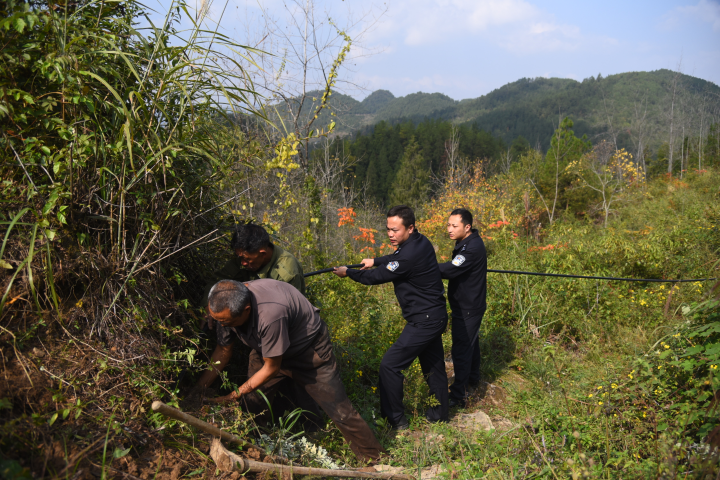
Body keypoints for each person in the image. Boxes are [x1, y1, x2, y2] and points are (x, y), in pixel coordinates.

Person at [196, 278, 384, 462]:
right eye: (217, 319)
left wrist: (232, 395)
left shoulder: (269, 314)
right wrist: (199, 390)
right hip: (266, 351)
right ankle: (255, 447)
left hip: (308, 352)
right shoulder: (227, 300)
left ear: (246, 310)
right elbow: (223, 350)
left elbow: (271, 367)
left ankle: (376, 461)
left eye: (226, 322)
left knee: (339, 408)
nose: (222, 325)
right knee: (252, 402)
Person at [332, 205, 449, 429]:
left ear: (410, 228)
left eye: (395, 230)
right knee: (433, 366)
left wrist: (349, 272)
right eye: (388, 229)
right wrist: (375, 259)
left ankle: (395, 420)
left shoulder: (408, 255)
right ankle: (440, 414)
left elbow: (376, 278)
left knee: (389, 366)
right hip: (434, 316)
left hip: (423, 321)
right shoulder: (420, 241)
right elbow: (394, 258)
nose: (390, 234)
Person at [202, 222, 305, 328]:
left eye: (247, 259)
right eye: (240, 258)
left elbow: (290, 311)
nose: (243, 263)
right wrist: (208, 306)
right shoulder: (244, 256)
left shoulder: (287, 272)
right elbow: (217, 280)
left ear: (263, 254)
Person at [438, 208, 487, 407]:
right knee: (470, 343)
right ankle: (473, 378)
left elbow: (451, 269)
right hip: (466, 304)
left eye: (454, 226)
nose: (449, 229)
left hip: (469, 306)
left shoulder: (472, 247)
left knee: (461, 348)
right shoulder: (464, 243)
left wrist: (423, 266)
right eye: (448, 225)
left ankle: (459, 395)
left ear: (467, 227)